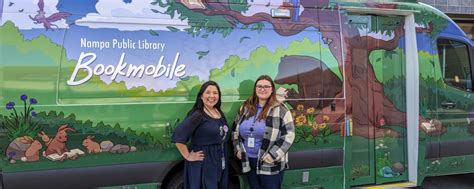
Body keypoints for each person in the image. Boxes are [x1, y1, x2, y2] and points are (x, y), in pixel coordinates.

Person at [232, 75, 295, 189]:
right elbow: (235, 130)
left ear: (272, 90)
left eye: (266, 86)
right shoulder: (245, 108)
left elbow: (289, 135)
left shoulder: (281, 109)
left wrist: (272, 155)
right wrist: (237, 149)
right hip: (249, 161)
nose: (262, 89)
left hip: (269, 163)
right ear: (255, 89)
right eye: (259, 86)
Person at [172, 81, 229, 189]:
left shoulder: (218, 112)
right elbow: (178, 135)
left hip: (219, 161)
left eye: (215, 93)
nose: (212, 96)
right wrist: (188, 155)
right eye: (208, 92)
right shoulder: (198, 115)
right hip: (204, 164)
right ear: (201, 96)